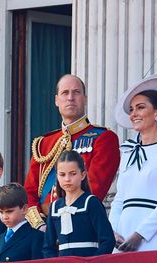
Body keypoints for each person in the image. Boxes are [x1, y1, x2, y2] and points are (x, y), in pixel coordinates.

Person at [109, 73, 157, 252]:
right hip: (121, 233)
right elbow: (119, 198)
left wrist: (140, 234)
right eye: (131, 109)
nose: (133, 113)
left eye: (140, 107)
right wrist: (112, 231)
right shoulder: (127, 151)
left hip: (149, 234)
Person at [24, 74, 120, 215]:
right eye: (65, 93)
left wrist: (56, 212)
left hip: (79, 221)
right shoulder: (44, 143)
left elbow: (94, 189)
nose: (70, 98)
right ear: (56, 100)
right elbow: (29, 191)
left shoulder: (104, 138)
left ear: (85, 99)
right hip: (41, 227)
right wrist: (38, 223)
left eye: (76, 92)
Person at [42, 151, 115, 258]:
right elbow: (48, 247)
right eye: (62, 175)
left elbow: (108, 240)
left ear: (82, 175)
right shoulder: (54, 207)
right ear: (57, 176)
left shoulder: (91, 202)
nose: (67, 179)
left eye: (73, 173)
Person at [0, 183, 44, 263]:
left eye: (9, 211)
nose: (5, 216)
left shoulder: (36, 237)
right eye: (1, 212)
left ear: (24, 209)